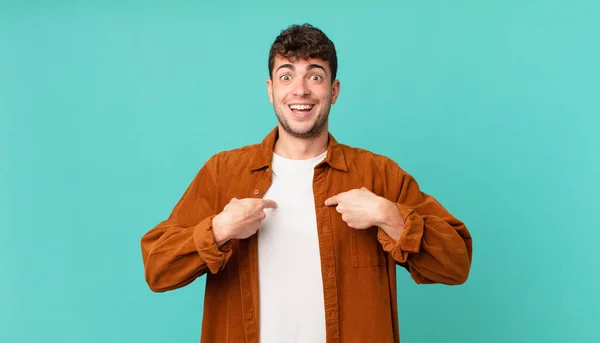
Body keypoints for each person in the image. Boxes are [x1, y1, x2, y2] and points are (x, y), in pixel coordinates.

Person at [140, 23, 472, 343]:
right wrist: (219, 229)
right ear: (271, 90)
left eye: (315, 76)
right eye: (286, 76)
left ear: (334, 90)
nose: (300, 90)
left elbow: (456, 264)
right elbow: (158, 269)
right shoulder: (223, 173)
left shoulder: (377, 175)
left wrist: (389, 216)